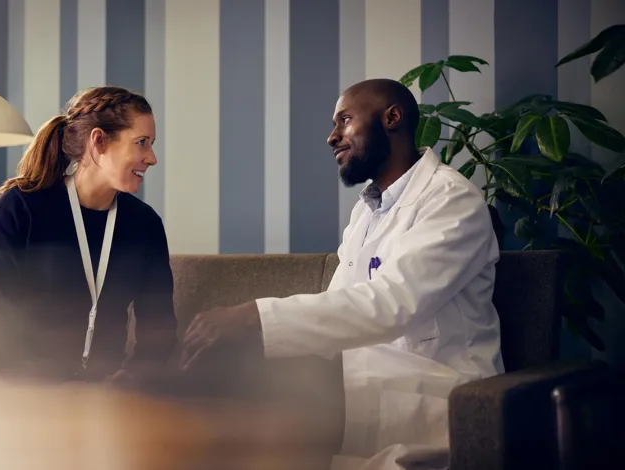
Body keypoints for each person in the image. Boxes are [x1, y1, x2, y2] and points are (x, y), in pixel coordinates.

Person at [179, 79, 504, 470]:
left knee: (259, 387)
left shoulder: (452, 200)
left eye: (345, 120)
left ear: (392, 118)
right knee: (224, 374)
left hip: (437, 390)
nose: (332, 137)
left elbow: (392, 304)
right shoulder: (366, 211)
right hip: (355, 385)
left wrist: (255, 317)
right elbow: (336, 309)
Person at [0, 86, 176, 390]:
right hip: (21, 393)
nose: (152, 158)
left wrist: (131, 379)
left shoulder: (145, 225)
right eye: (141, 143)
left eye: (151, 144)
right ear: (99, 141)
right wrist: (43, 385)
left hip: (107, 397)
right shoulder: (20, 207)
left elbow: (159, 328)